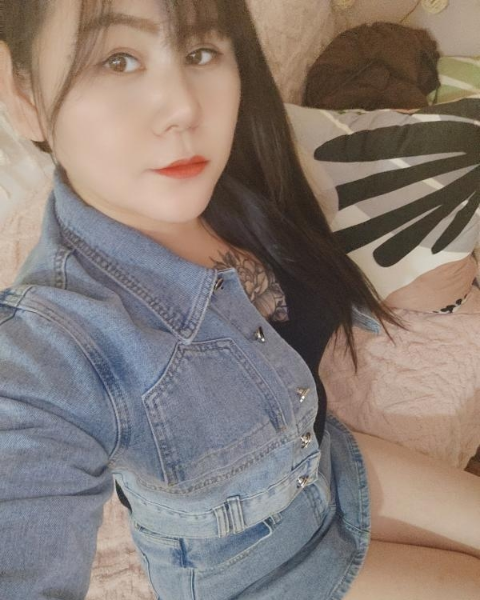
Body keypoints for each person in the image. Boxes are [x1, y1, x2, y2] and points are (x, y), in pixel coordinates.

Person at [0, 1, 479, 599]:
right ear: (21, 93)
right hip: (257, 569)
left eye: (200, 52)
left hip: (324, 459)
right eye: (117, 60)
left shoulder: (232, 174)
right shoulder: (53, 345)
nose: (184, 107)